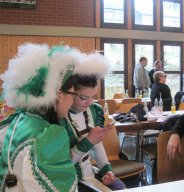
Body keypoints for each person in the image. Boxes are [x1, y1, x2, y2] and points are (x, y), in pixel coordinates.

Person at [0, 43, 85, 191]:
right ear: (59, 95)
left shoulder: (15, 122)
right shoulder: (49, 136)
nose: (73, 100)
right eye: (73, 94)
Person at [66, 54, 126, 191]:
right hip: (69, 180)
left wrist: (106, 170)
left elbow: (96, 146)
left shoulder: (93, 110)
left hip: (90, 174)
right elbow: (62, 165)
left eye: (93, 97)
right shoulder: (60, 117)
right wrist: (88, 141)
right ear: (70, 93)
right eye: (83, 98)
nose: (89, 102)